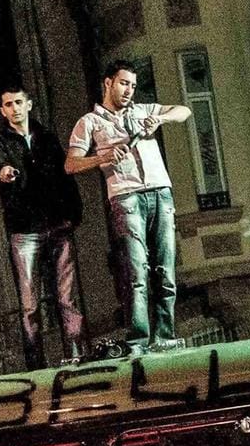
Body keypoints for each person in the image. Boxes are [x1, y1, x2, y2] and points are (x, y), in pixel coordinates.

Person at [66, 61, 192, 357]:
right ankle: (138, 340)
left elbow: (183, 111)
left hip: (160, 191)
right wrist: (103, 157)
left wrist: (161, 120)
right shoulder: (90, 122)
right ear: (108, 83)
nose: (129, 91)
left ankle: (165, 335)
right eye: (124, 84)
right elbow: (71, 164)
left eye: (133, 85)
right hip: (126, 196)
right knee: (137, 270)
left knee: (166, 267)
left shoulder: (142, 111)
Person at [0, 86, 85, 369]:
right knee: (29, 304)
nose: (14, 108)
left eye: (18, 102)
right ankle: (36, 365)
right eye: (8, 104)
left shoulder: (47, 137)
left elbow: (66, 176)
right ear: (3, 110)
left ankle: (75, 353)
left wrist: (72, 215)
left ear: (28, 104)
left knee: (66, 297)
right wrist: (4, 171)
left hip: (56, 226)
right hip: (24, 230)